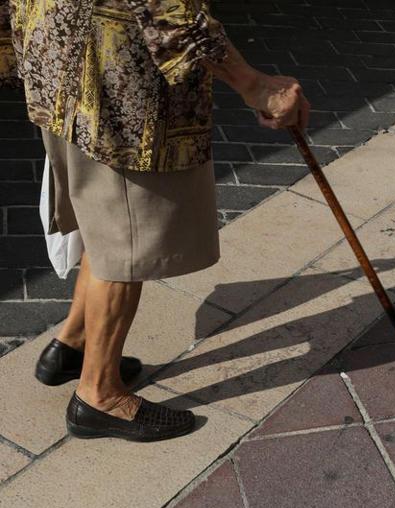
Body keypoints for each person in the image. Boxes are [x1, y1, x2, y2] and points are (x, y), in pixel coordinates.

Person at [0, 0, 310, 442]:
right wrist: (254, 84)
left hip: (57, 52)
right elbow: (167, 7)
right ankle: (99, 395)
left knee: (105, 219)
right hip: (117, 82)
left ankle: (71, 346)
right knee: (128, 236)